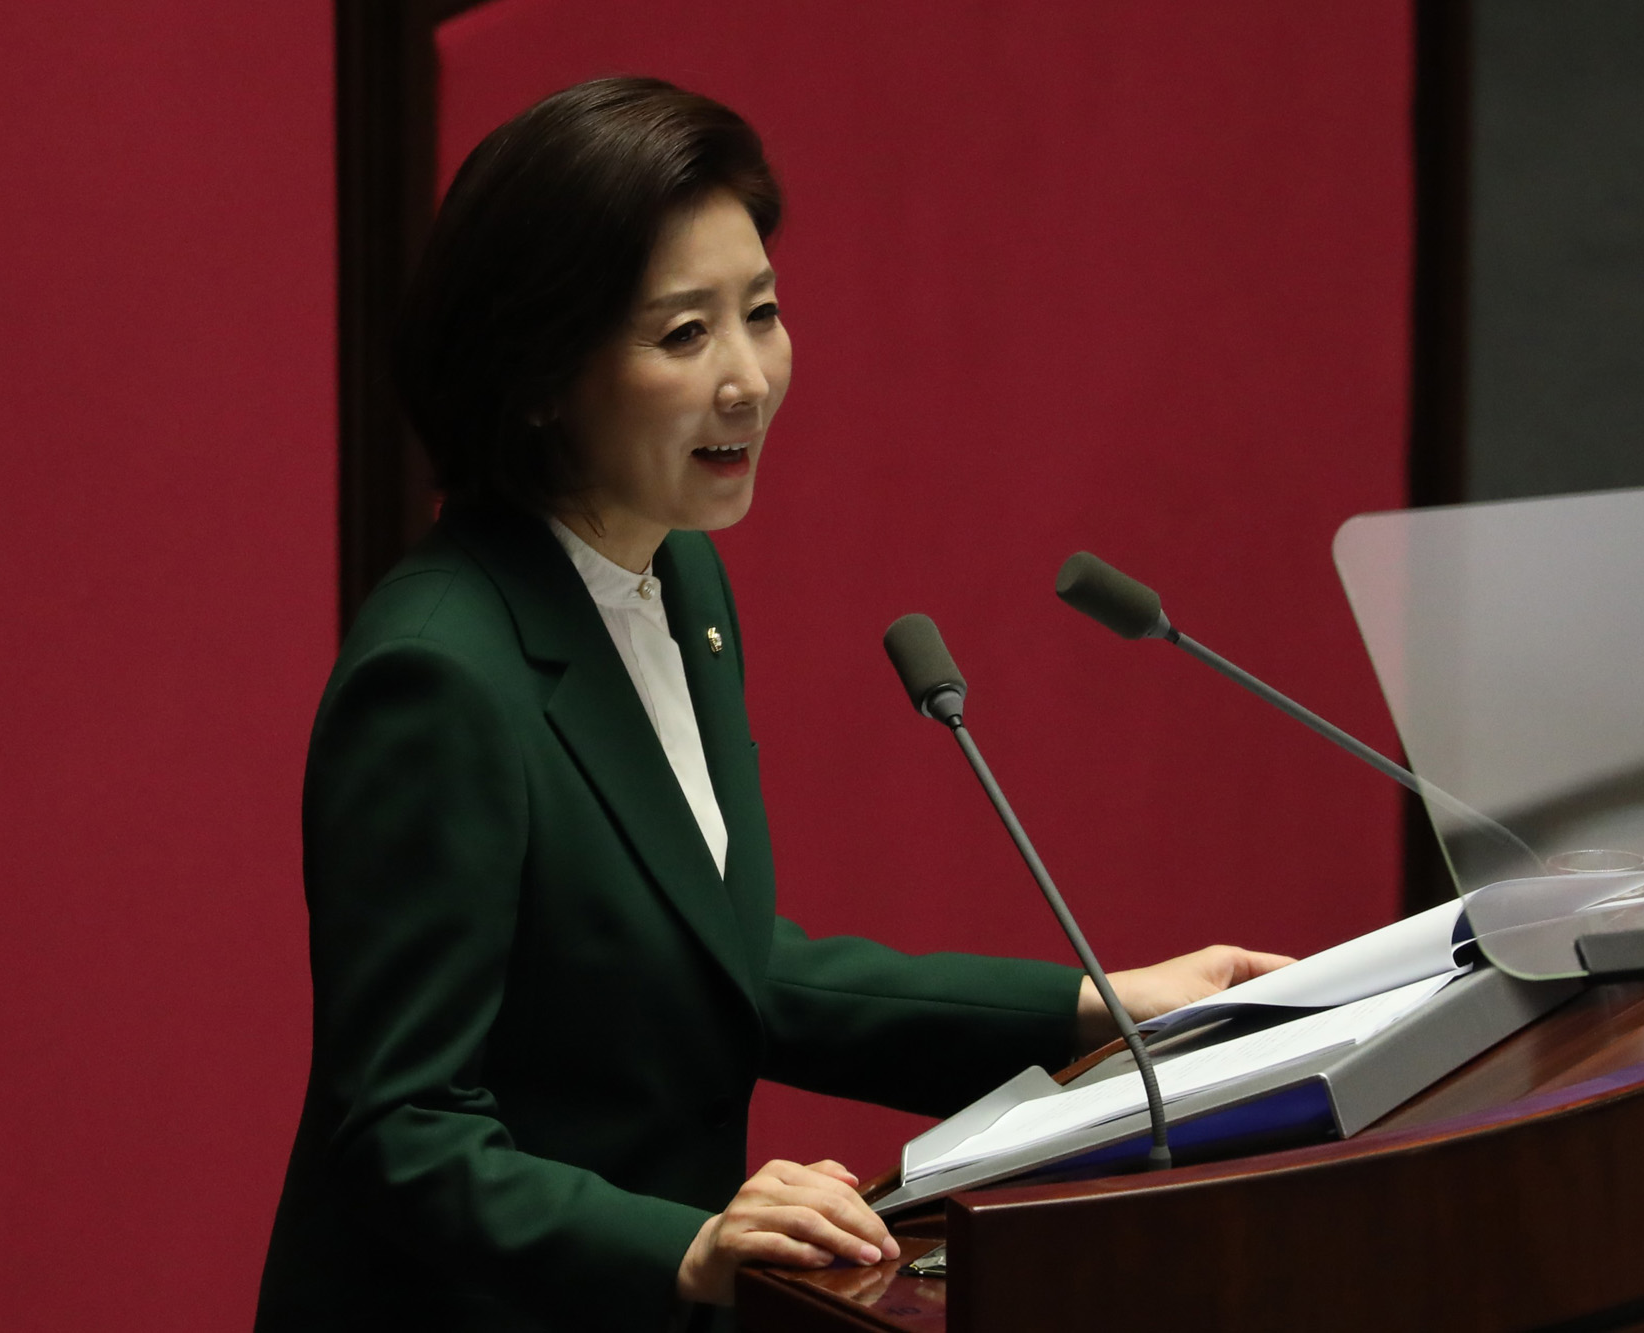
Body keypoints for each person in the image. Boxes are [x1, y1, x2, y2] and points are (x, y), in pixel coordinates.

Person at [255, 77, 1291, 1332]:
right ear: (534, 373)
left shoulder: (674, 573)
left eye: (762, 312)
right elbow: (404, 1132)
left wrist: (1099, 1004)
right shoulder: (438, 677)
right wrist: (687, 1247)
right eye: (682, 334)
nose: (747, 377)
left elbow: (726, 971)